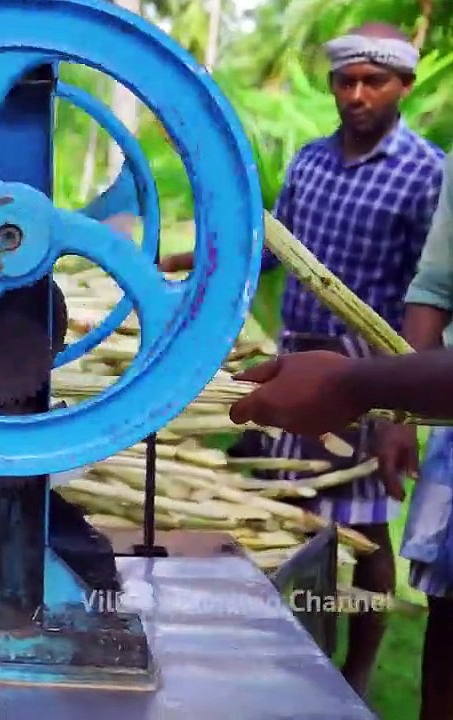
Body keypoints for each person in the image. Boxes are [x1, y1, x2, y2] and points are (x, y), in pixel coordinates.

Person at [159, 22, 446, 697]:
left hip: (370, 371)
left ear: (403, 85)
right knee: (276, 514)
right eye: (345, 80)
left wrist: (399, 407)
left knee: (361, 527)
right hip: (292, 362)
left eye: (373, 81)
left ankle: (358, 668)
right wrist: (187, 262)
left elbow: (429, 291)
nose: (357, 93)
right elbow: (273, 248)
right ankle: (277, 655)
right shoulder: (311, 163)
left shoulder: (427, 173)